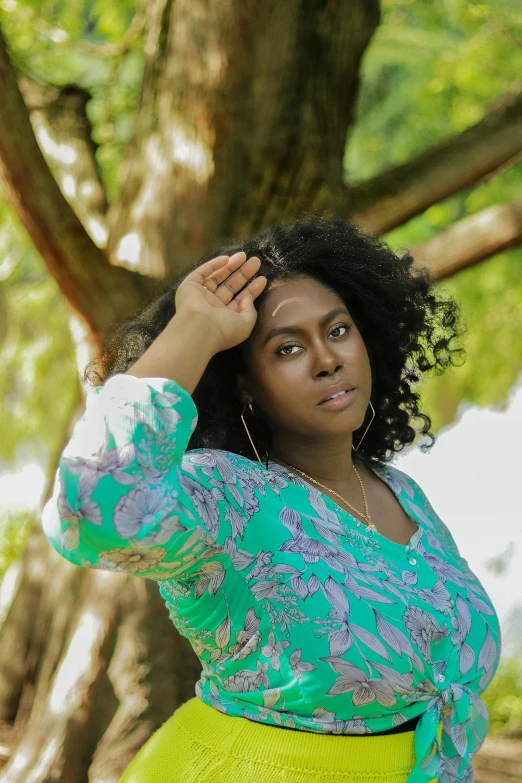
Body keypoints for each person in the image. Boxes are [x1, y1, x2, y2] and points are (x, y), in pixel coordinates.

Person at [42, 219, 500, 783]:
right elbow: (91, 504)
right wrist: (198, 329)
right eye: (288, 348)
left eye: (338, 331)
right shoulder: (227, 497)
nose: (326, 360)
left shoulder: (401, 493)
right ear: (245, 387)